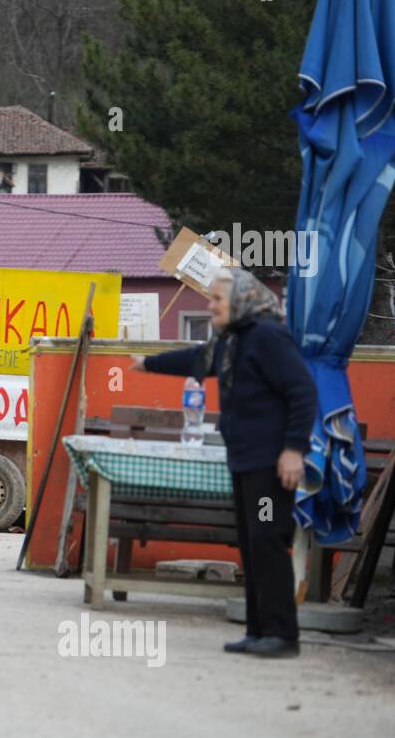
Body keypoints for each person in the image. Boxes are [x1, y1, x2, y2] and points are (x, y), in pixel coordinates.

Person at [131, 268, 317, 658]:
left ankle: (283, 635)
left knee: (267, 539)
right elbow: (199, 359)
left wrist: (293, 450)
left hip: (269, 467)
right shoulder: (235, 340)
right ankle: (258, 630)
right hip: (246, 463)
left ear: (243, 299)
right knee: (252, 545)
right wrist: (149, 363)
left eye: (217, 298)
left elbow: (302, 391)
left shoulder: (268, 337)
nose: (210, 305)